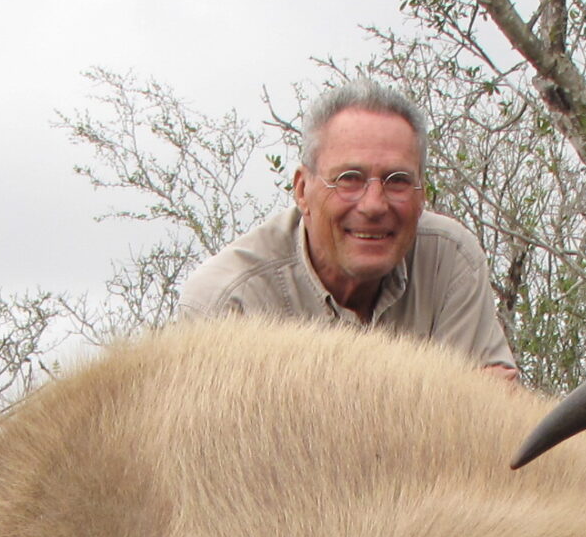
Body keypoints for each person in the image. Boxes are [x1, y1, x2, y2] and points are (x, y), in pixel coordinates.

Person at [178, 80, 519, 379]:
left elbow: (486, 424)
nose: (373, 204)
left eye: (397, 181)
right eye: (348, 180)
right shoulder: (228, 301)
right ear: (301, 190)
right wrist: (441, 400)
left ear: (422, 194)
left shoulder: (449, 258)